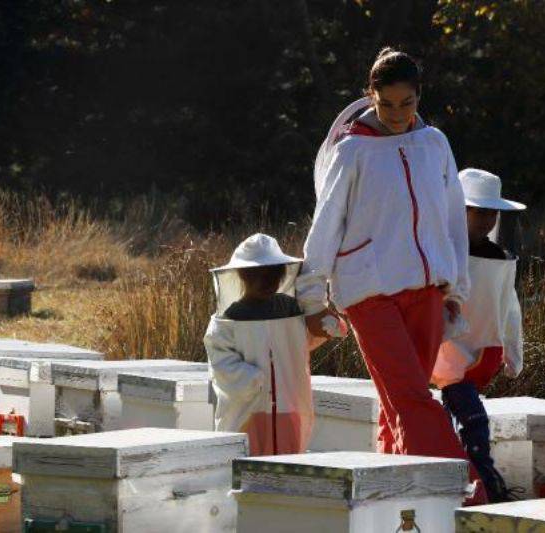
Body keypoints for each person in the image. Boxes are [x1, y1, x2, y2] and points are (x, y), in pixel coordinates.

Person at [296, 47, 487, 504]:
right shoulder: (352, 149)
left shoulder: (435, 143)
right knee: (414, 400)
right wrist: (310, 295)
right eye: (387, 104)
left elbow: (451, 219)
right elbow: (326, 224)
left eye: (407, 103)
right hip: (367, 292)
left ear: (419, 96)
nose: (398, 114)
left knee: (401, 401)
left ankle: (393, 506)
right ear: (371, 96)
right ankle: (463, 499)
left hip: (427, 290)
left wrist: (455, 288)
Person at [431, 167, 526, 502]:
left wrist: (514, 352)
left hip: (486, 355)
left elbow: (508, 304)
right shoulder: (440, 253)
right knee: (474, 423)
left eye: (492, 213)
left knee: (454, 423)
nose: (487, 220)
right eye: (479, 212)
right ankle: (490, 489)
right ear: (460, 211)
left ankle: (461, 491)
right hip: (449, 355)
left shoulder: (500, 257)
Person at [204, 233, 328, 456]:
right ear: (244, 276)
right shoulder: (232, 316)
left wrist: (328, 325)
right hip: (248, 411)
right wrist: (253, 379)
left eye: (271, 276)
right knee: (248, 472)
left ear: (281, 275)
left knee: (289, 471)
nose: (267, 283)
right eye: (259, 276)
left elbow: (302, 342)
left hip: (289, 405)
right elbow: (220, 360)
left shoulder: (289, 308)